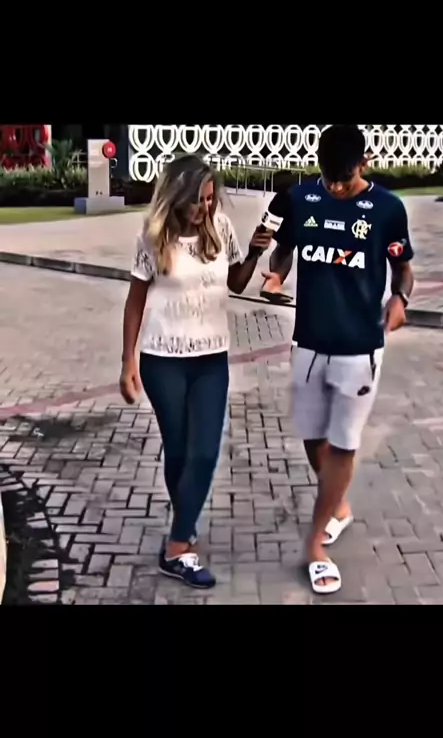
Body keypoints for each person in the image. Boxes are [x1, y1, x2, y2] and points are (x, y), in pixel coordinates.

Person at [261, 124, 414, 594]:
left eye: (344, 180)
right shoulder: (303, 199)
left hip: (359, 347)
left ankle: (315, 546)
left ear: (363, 164)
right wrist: (275, 276)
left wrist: (400, 299)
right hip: (308, 341)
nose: (336, 188)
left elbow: (403, 268)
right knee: (313, 436)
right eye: (329, 179)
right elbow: (284, 249)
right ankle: (338, 506)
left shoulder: (388, 208)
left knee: (344, 443)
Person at [119, 154, 273, 589]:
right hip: (163, 360)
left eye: (209, 199)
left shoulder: (219, 227)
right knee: (179, 451)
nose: (204, 207)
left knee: (204, 451)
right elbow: (135, 301)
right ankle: (184, 533)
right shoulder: (153, 236)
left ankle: (175, 545)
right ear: (176, 197)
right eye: (197, 200)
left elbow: (236, 283)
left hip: (211, 359)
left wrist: (255, 252)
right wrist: (128, 361)